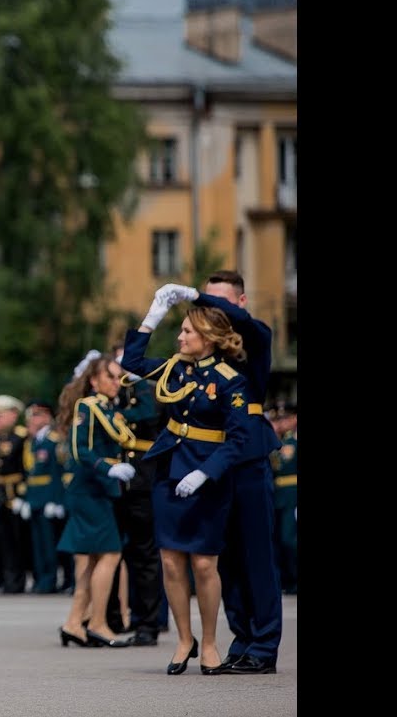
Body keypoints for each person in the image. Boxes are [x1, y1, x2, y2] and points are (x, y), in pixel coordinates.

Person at [121, 301, 257, 676]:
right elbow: (131, 364)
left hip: (207, 476)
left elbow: (239, 437)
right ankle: (185, 639)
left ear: (209, 338)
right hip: (169, 470)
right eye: (180, 330)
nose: (179, 337)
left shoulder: (231, 379)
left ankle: (210, 641)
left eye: (187, 332)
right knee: (170, 561)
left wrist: (205, 473)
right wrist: (151, 315)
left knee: (203, 563)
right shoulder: (174, 370)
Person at [157, 272, 283, 674]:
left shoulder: (254, 339)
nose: (211, 310)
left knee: (256, 555)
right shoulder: (204, 352)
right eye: (206, 304)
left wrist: (193, 294)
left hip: (246, 460)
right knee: (221, 558)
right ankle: (241, 639)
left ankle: (263, 646)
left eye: (219, 302)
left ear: (240, 302)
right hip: (209, 464)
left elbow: (243, 325)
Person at [55, 355, 134, 649]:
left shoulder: (109, 408)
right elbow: (81, 449)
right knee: (110, 554)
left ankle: (75, 622)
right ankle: (98, 622)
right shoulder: (88, 406)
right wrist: (108, 468)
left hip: (99, 489)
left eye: (117, 377)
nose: (116, 382)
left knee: (92, 559)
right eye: (110, 377)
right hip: (90, 488)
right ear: (93, 380)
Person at [106, 343, 167, 646]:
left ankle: (148, 623)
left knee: (144, 555)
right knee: (114, 553)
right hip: (118, 482)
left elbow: (146, 415)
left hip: (142, 479)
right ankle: (114, 618)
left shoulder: (149, 390)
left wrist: (133, 385)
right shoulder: (115, 394)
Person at [0, 395, 31, 593]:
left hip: (15, 493)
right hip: (1, 494)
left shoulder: (21, 437)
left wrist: (22, 496)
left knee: (17, 541)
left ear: (13, 415)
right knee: (0, 540)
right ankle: (5, 579)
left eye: (1, 416)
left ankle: (17, 581)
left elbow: (26, 468)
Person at [23, 401, 64, 594]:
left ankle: (50, 579)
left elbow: (56, 473)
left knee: (48, 543)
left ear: (47, 417)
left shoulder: (52, 440)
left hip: (47, 497)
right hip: (35, 497)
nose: (32, 420)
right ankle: (41, 578)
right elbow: (31, 473)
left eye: (36, 415)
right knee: (37, 542)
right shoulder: (34, 441)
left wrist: (55, 500)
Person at [270, 405, 297, 594]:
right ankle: (285, 579)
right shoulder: (280, 441)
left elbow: (284, 464)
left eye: (286, 418)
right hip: (278, 494)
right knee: (278, 540)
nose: (282, 423)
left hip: (292, 494)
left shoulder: (292, 441)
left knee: (289, 538)